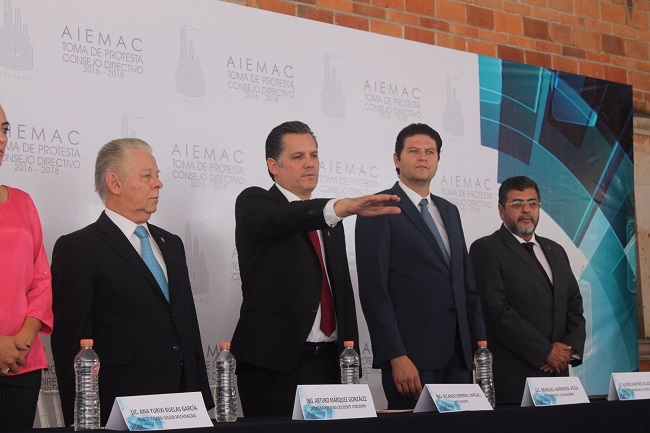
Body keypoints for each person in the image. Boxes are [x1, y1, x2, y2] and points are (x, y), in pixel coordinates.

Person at [231, 120, 400, 416]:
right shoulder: (255, 202)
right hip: (275, 366)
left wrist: (350, 359)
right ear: (273, 165)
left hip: (331, 364)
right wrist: (339, 207)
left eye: (314, 155)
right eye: (298, 157)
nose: (310, 163)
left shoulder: (330, 221)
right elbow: (283, 219)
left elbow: (341, 292)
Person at [51, 138, 213, 426]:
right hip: (119, 408)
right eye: (147, 176)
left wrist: (201, 397)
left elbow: (187, 324)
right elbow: (69, 345)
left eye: (157, 175)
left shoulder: (172, 243)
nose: (158, 184)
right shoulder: (79, 248)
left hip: (182, 406)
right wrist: (82, 419)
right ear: (115, 183)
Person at [356, 123, 486, 410]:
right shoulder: (378, 208)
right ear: (397, 159)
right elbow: (374, 290)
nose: (423, 157)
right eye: (413, 151)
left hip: (460, 358)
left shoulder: (450, 210)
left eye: (430, 151)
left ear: (438, 159)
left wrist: (479, 349)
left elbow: (465, 284)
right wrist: (396, 356)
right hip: (412, 361)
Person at [469, 175, 585, 404]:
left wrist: (566, 351)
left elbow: (574, 305)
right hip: (515, 379)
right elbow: (496, 312)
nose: (526, 210)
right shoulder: (485, 249)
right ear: (501, 210)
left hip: (558, 376)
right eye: (517, 204)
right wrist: (545, 352)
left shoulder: (556, 250)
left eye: (532, 203)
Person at [0, 105, 53, 430]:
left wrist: (21, 341)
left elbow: (41, 280)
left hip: (21, 363)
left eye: (4, 129)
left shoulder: (23, 202)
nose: (1, 139)